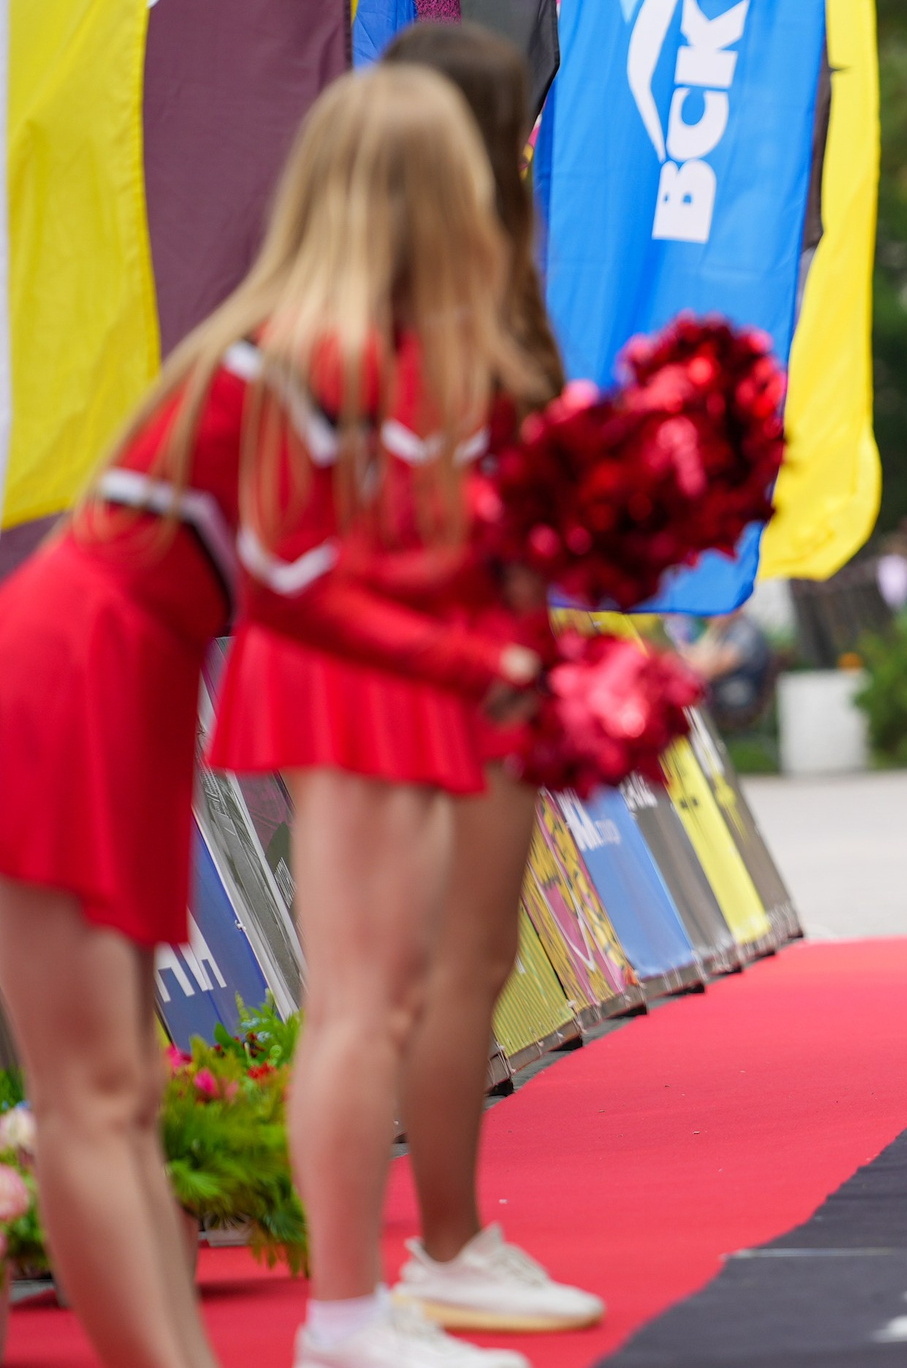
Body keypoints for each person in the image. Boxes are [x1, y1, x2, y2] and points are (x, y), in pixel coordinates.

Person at [0, 67, 547, 1368]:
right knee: (92, 1094)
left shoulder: (295, 346)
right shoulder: (311, 357)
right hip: (80, 669)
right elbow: (319, 596)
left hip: (114, 666)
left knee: (113, 1091)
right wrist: (495, 653)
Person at [374, 23, 608, 1340]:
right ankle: (442, 1240)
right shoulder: (475, 292)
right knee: (452, 964)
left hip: (373, 658)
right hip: (468, 659)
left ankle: (407, 1253)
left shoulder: (357, 276)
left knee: (392, 975)